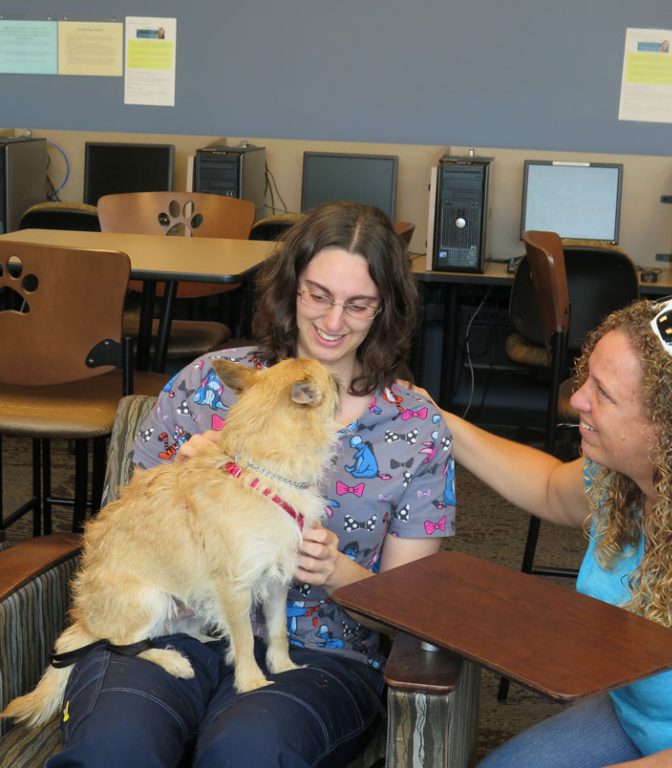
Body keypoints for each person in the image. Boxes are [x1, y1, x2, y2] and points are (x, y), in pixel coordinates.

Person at [51, 202, 456, 767]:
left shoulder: (412, 429)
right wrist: (178, 482)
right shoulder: (209, 384)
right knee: (114, 749)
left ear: (386, 309)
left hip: (319, 654)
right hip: (175, 628)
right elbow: (129, 536)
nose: (334, 322)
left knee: (246, 754)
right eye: (318, 295)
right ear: (289, 288)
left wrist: (342, 575)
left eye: (358, 304)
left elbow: (412, 610)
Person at [431, 297, 672, 767]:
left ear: (669, 426)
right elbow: (548, 487)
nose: (576, 400)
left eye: (602, 394)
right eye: (585, 378)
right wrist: (441, 422)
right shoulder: (627, 473)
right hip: (638, 713)